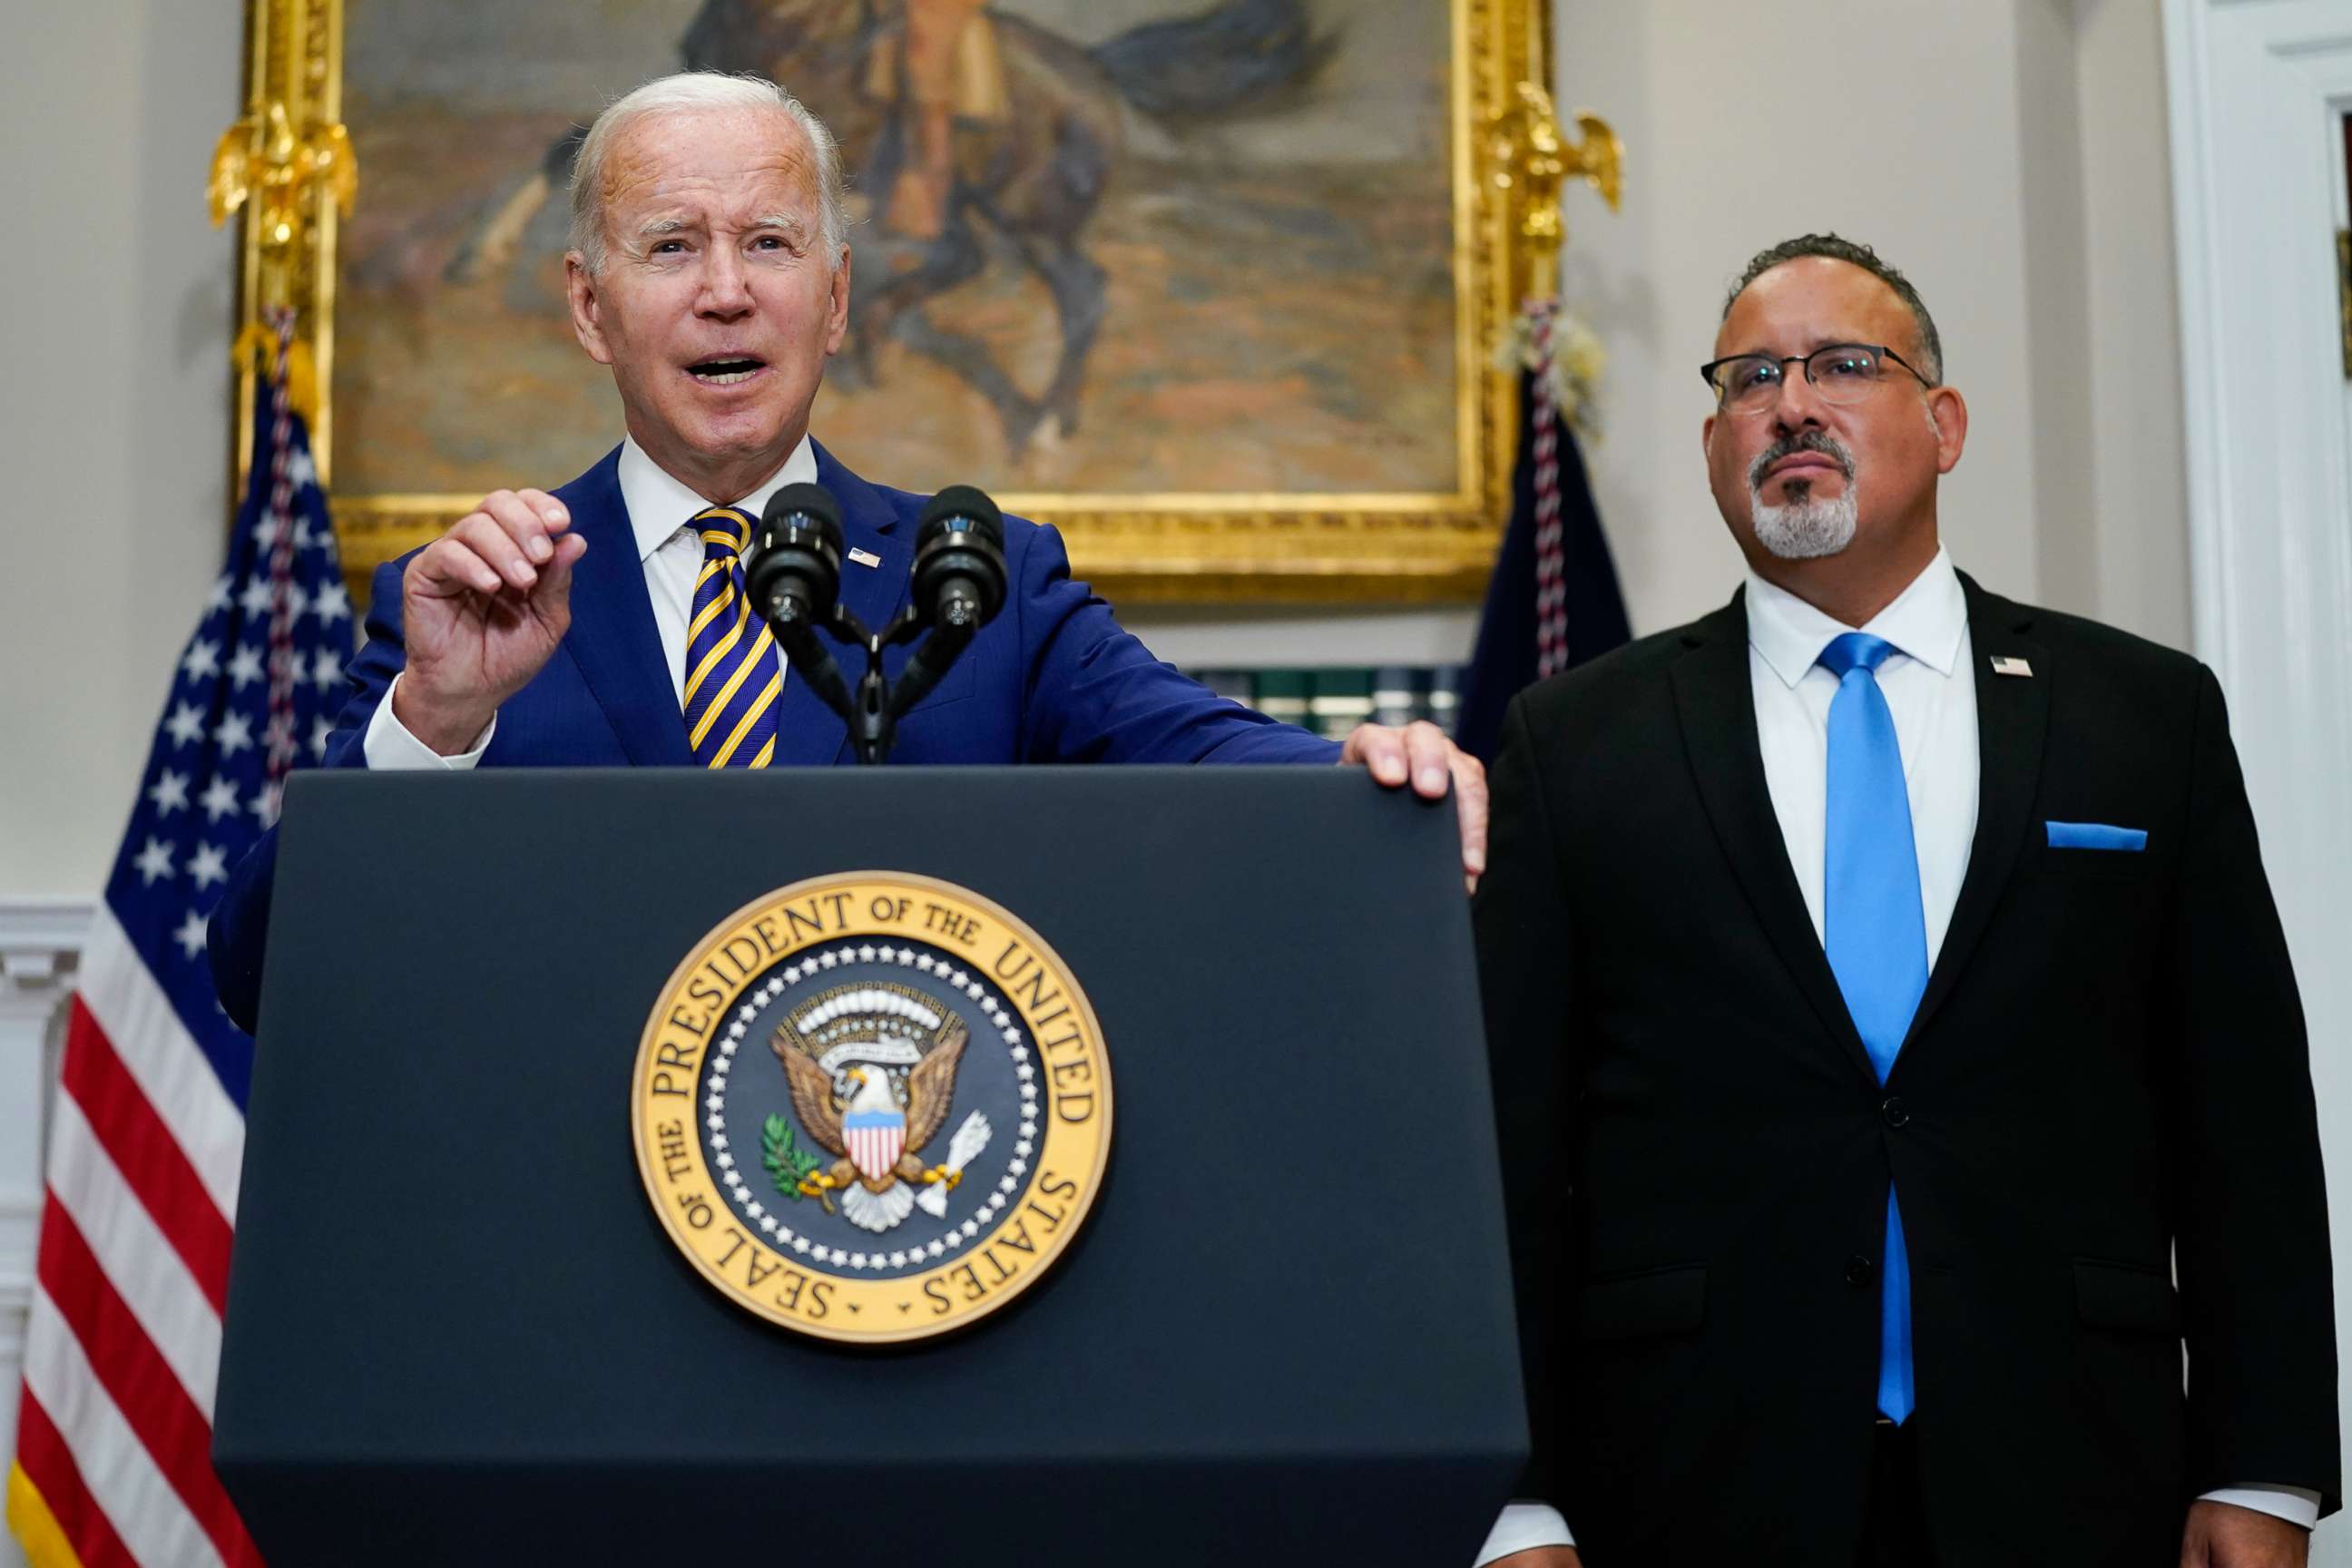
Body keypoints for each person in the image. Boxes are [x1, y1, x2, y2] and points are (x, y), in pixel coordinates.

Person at [205, 72, 1484, 1030]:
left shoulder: (984, 580)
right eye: (670, 246)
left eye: (769, 242)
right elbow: (265, 974)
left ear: (837, 296)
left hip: (902, 1256)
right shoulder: (473, 604)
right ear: (590, 309)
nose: (725, 290)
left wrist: (1360, 769)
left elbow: (1204, 754)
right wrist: (432, 720)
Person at [1470, 234, 2337, 1567]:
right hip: (1689, 1478)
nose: (1792, 401)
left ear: (1944, 426)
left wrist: (2266, 1467)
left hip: (2073, 1469)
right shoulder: (1577, 741)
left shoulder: (2142, 716)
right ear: (1714, 445)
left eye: (1842, 364)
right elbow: (1510, 1146)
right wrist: (1513, 1499)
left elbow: (2244, 1111)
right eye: (1752, 376)